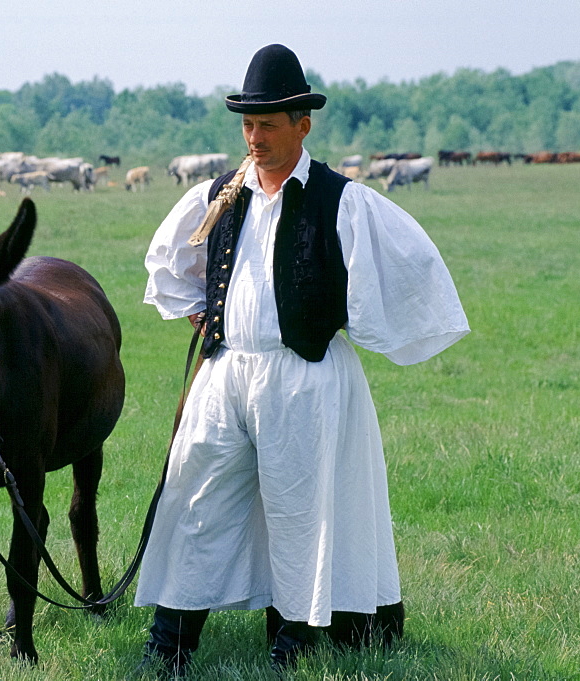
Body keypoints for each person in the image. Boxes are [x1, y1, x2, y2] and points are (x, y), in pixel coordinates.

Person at [134, 44, 470, 676]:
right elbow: (168, 264)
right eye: (247, 124)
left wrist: (351, 323)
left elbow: (410, 270)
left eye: (267, 124)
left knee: (300, 512)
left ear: (302, 125)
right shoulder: (219, 197)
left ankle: (293, 641)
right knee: (196, 499)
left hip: (304, 377)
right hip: (227, 371)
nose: (254, 138)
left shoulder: (340, 201)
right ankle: (169, 640)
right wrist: (199, 311)